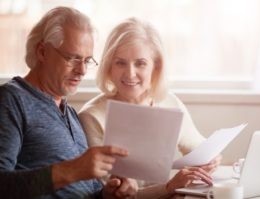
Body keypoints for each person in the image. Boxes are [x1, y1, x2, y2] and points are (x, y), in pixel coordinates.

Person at [78, 17, 222, 198]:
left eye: (140, 63)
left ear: (156, 67)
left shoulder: (169, 102)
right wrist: (169, 188)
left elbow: (199, 147)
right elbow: (105, 194)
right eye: (120, 62)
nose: (130, 73)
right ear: (109, 67)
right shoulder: (92, 117)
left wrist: (211, 159)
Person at [0, 7, 134, 199]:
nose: (82, 70)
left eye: (87, 61)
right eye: (73, 58)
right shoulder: (11, 100)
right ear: (42, 52)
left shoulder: (70, 113)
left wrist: (107, 193)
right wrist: (71, 170)